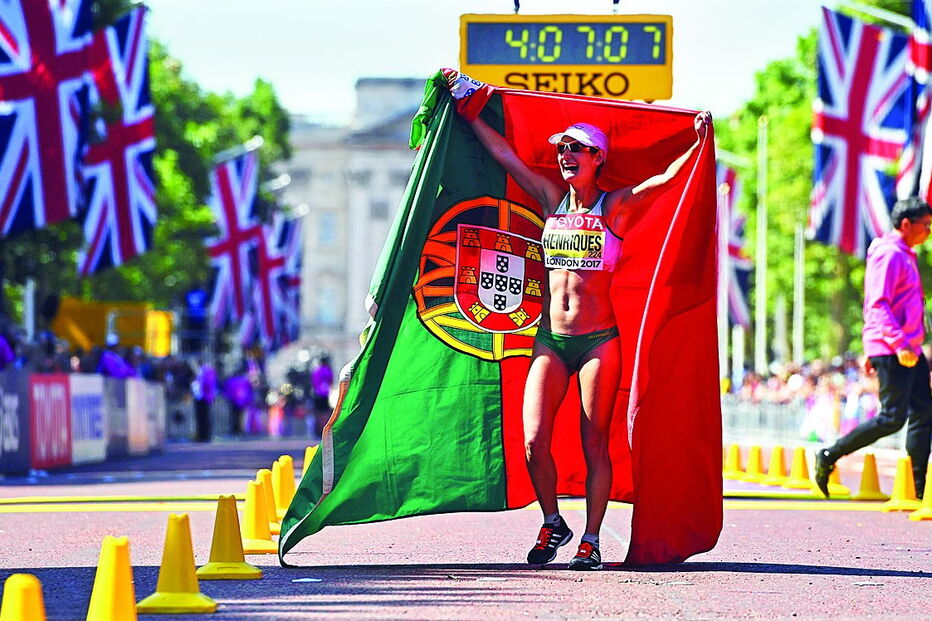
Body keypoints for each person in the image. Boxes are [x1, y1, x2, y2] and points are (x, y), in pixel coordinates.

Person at [455, 76, 711, 570]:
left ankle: (592, 538)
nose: (568, 154)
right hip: (550, 340)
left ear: (598, 159)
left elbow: (661, 184)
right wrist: (469, 113)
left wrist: (698, 143)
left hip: (598, 342)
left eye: (579, 148)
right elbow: (507, 157)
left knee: (595, 442)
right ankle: (554, 522)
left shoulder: (612, 204)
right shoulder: (551, 199)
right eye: (564, 148)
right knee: (533, 441)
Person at [815, 197, 932, 500]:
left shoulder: (906, 254)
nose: (928, 232)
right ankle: (830, 453)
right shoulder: (890, 254)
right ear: (906, 224)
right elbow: (878, 305)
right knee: (892, 418)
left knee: (924, 411)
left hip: (908, 348)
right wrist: (896, 344)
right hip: (897, 348)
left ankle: (919, 489)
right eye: (926, 226)